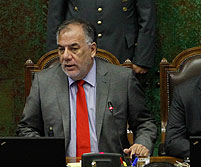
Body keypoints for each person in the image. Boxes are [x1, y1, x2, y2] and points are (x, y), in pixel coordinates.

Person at [17, 19, 157, 157]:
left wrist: (142, 144)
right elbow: (26, 128)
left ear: (92, 49)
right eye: (61, 49)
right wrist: (45, 152)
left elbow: (144, 123)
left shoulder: (121, 80)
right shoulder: (44, 82)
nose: (66, 56)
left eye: (74, 48)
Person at [45, 0, 156, 75]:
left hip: (121, 50)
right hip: (77, 52)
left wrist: (142, 59)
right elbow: (55, 17)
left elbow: (147, 16)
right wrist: (54, 60)